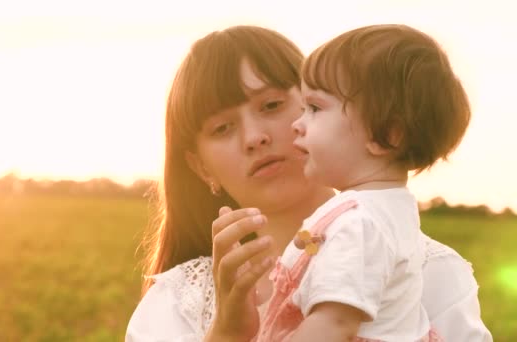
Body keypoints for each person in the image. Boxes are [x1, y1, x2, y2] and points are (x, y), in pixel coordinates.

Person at [125, 25, 492, 341]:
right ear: (201, 167)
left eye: (271, 105)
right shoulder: (174, 302)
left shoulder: (432, 271)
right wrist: (225, 333)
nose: (254, 137)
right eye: (222, 128)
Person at [256, 24, 469, 341]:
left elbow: (335, 324)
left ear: (385, 136)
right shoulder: (385, 208)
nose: (297, 125)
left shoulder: (359, 222)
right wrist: (303, 242)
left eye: (314, 108)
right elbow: (326, 250)